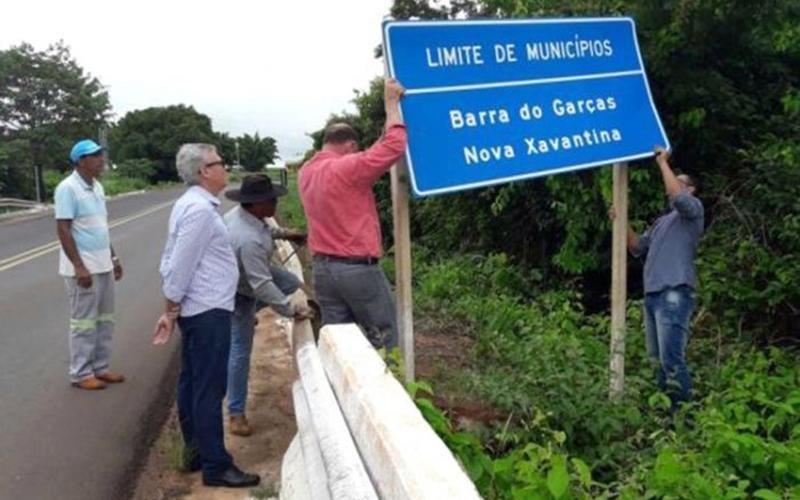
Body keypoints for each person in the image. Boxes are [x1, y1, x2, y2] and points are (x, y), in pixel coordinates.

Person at [153, 143, 259, 488]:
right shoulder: (199, 211)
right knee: (209, 389)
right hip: (207, 309)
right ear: (204, 172)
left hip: (200, 307)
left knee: (193, 383)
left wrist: (173, 307)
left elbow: (170, 259)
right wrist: (170, 308)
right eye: (220, 162)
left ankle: (196, 452)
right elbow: (179, 265)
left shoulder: (191, 204)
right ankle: (216, 465)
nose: (225, 167)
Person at [298, 78, 407, 350]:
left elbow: (376, 151)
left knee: (339, 343)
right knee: (384, 337)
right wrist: (391, 103)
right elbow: (394, 146)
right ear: (349, 146)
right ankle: (387, 378)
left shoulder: (306, 171)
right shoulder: (347, 167)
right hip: (356, 270)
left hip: (323, 270)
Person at [611, 146, 704, 406]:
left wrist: (663, 163)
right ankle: (664, 416)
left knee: (671, 360)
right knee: (656, 362)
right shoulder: (661, 222)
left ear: (690, 189)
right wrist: (620, 220)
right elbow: (636, 247)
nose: (672, 185)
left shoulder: (692, 211)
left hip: (674, 292)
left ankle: (684, 416)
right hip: (652, 296)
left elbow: (678, 197)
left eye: (680, 181)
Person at [223, 174, 313, 437]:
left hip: (247, 275)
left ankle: (253, 311)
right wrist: (291, 310)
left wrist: (285, 233)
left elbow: (265, 230)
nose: (276, 203)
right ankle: (236, 413)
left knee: (290, 282)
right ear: (256, 203)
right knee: (240, 350)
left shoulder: (243, 216)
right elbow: (261, 285)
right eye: (271, 199)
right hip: (238, 290)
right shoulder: (247, 239)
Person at [55, 139, 125, 390]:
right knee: (84, 322)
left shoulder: (97, 187)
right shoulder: (68, 188)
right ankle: (81, 373)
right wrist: (79, 266)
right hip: (83, 268)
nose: (100, 159)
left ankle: (100, 368)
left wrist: (113, 258)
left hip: (103, 264)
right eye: (95, 156)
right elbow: (63, 228)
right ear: (81, 161)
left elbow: (101, 228)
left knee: (105, 319)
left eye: (100, 154)